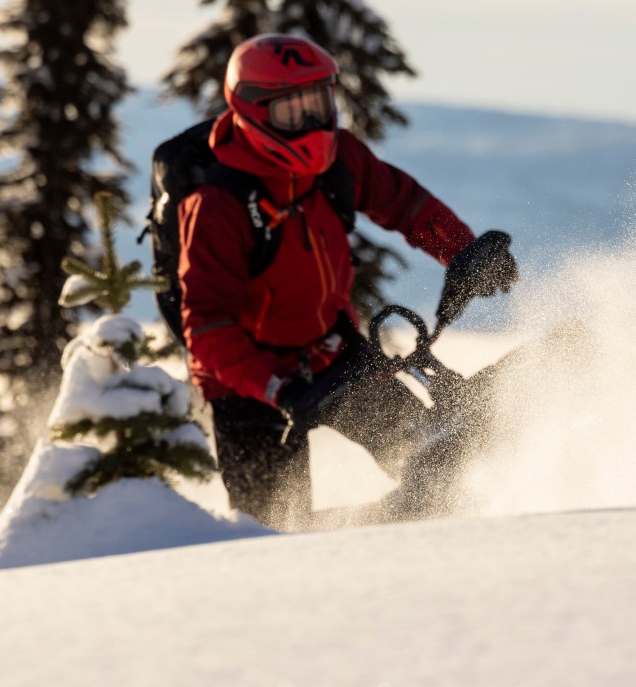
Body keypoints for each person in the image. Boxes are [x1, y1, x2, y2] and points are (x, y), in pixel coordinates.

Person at [163, 34, 519, 526]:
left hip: (330, 352)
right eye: (293, 111)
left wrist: (460, 251)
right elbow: (205, 327)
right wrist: (278, 389)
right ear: (253, 112)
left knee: (437, 455)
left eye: (320, 102)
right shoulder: (216, 205)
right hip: (247, 387)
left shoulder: (339, 159)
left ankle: (433, 543)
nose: (312, 121)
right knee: (270, 531)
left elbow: (404, 203)